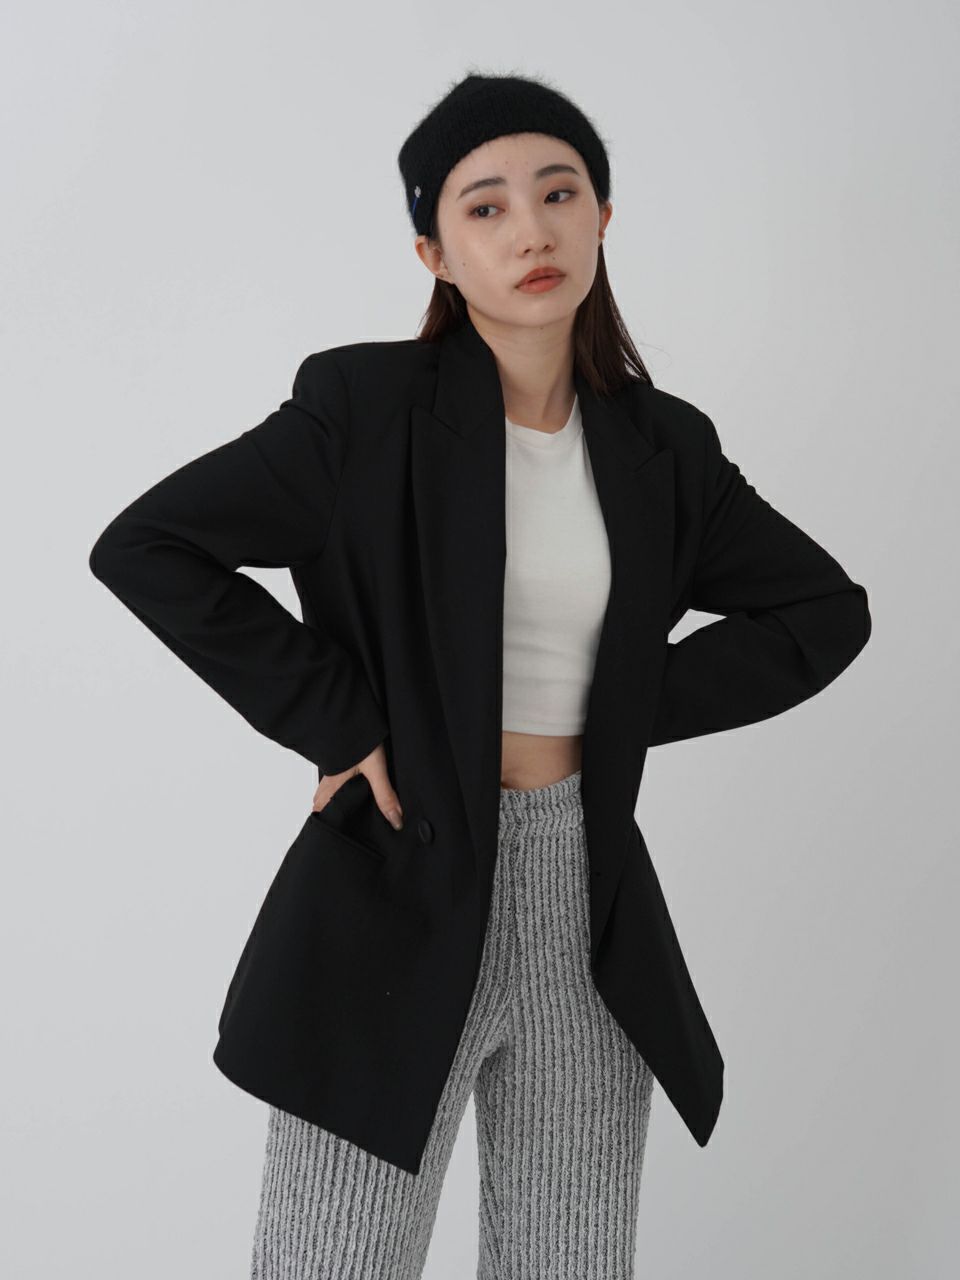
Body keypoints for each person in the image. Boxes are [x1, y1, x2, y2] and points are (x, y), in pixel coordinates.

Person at [88, 71, 872, 1279]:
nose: (531, 231)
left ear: (602, 215)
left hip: (586, 901)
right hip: (393, 887)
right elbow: (148, 546)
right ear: (435, 253)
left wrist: (624, 706)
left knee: (569, 1262)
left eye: (559, 193)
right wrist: (341, 718)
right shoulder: (363, 411)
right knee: (332, 1263)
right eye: (486, 207)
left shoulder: (664, 446)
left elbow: (823, 611)